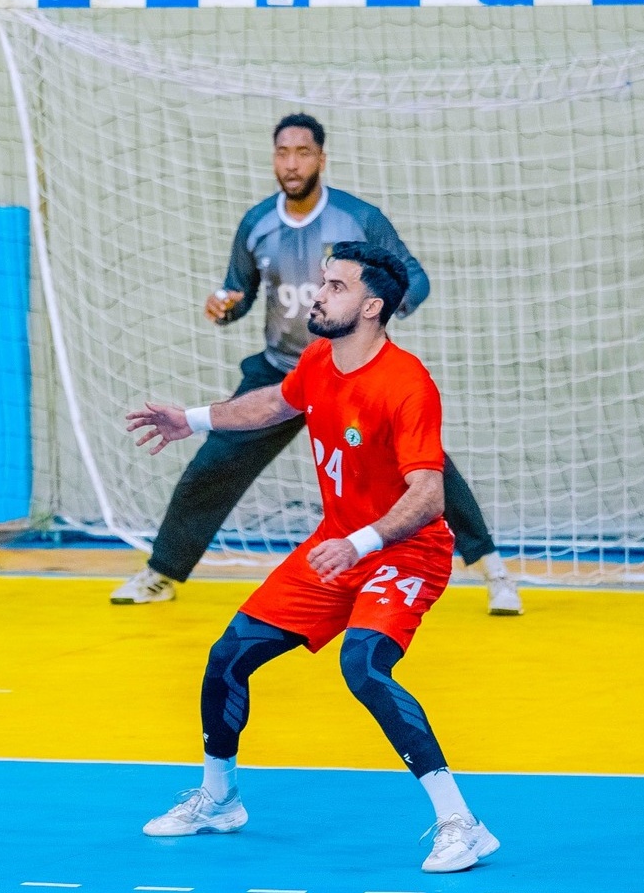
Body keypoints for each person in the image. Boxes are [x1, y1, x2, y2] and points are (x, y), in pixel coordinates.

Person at [126, 242, 500, 874]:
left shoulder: (407, 385)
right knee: (228, 656)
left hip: (402, 553)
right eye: (321, 283)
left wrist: (361, 543)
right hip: (337, 546)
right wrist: (192, 419)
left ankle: (462, 824)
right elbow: (275, 402)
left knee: (364, 667)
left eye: (334, 286)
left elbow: (430, 497)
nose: (316, 295)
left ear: (373, 305)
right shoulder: (323, 359)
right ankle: (218, 800)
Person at [111, 114, 522, 616]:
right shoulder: (257, 223)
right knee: (212, 467)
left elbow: (412, 276)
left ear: (321, 159)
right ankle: (162, 572)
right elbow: (239, 292)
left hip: (351, 372)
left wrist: (379, 312)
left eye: (303, 152)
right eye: (283, 152)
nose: (292, 162)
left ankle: (493, 570)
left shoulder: (359, 220)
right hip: (281, 371)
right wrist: (226, 306)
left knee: (426, 471)